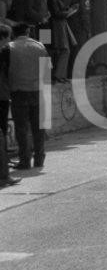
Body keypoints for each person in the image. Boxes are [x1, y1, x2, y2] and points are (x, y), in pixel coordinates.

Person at [0, 22, 50, 169]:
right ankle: (39, 159)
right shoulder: (40, 46)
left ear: (14, 34)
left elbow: (3, 71)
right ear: (28, 32)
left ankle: (25, 160)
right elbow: (47, 71)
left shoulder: (8, 48)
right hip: (38, 92)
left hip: (18, 92)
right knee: (38, 129)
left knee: (22, 129)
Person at [0, 24, 20, 188]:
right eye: (8, 37)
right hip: (2, 97)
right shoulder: (4, 54)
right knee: (1, 136)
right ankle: (4, 175)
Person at [48, 0, 77, 83]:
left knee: (60, 50)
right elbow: (56, 13)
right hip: (55, 26)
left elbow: (60, 10)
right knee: (60, 50)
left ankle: (59, 75)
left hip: (57, 26)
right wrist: (68, 12)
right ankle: (57, 75)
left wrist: (69, 9)